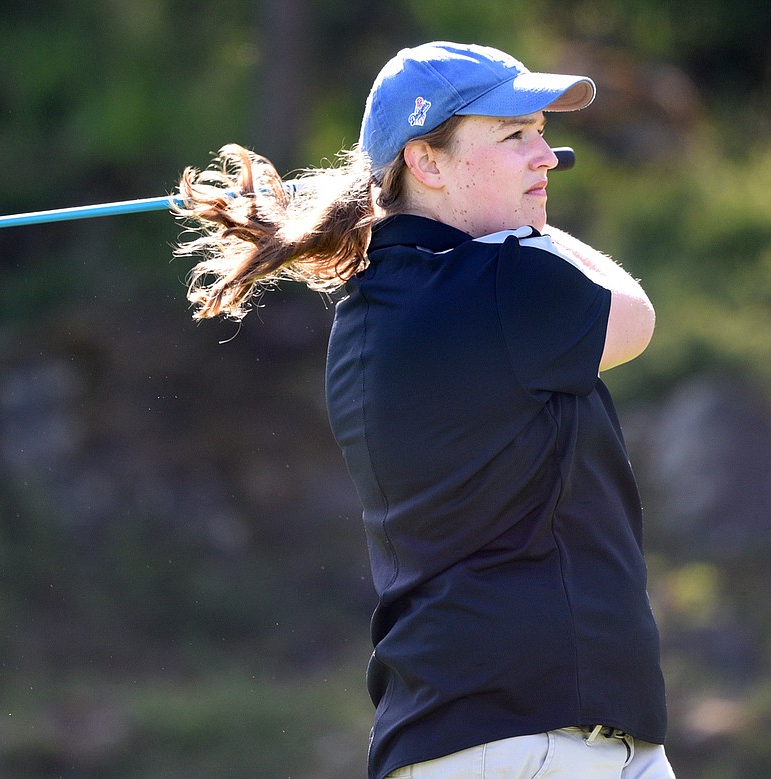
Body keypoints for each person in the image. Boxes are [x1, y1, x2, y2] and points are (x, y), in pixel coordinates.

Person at [171, 41, 674, 778]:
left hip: (529, 735)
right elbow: (636, 316)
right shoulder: (505, 284)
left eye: (540, 130)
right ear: (426, 162)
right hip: (528, 742)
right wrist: (528, 228)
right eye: (514, 136)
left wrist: (506, 216)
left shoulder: (376, 309)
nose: (548, 157)